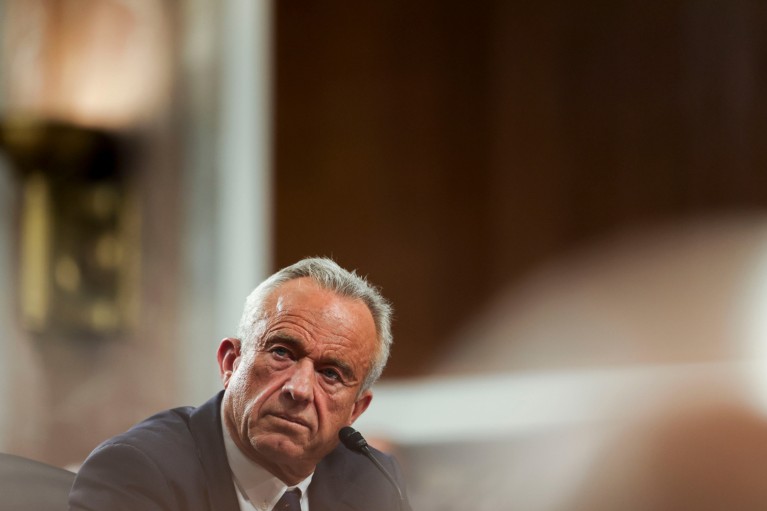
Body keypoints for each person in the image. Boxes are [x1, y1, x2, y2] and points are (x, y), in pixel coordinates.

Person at [69, 257, 411, 511]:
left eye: (331, 374)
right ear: (231, 362)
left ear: (355, 409)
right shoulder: (139, 471)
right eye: (281, 353)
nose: (300, 389)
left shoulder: (373, 480)